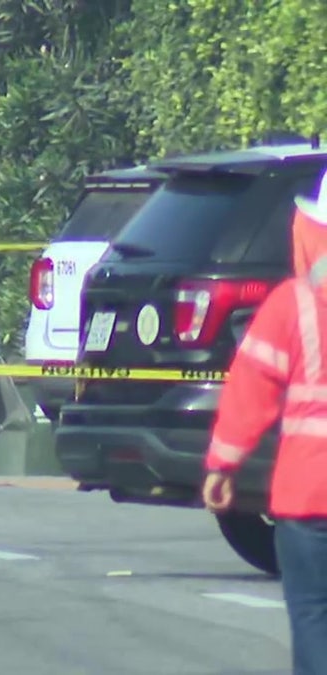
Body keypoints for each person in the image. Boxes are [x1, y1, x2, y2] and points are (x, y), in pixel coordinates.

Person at [202, 170, 327, 675]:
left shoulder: (292, 305)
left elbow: (251, 389)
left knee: (314, 617)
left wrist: (223, 465)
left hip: (308, 498)